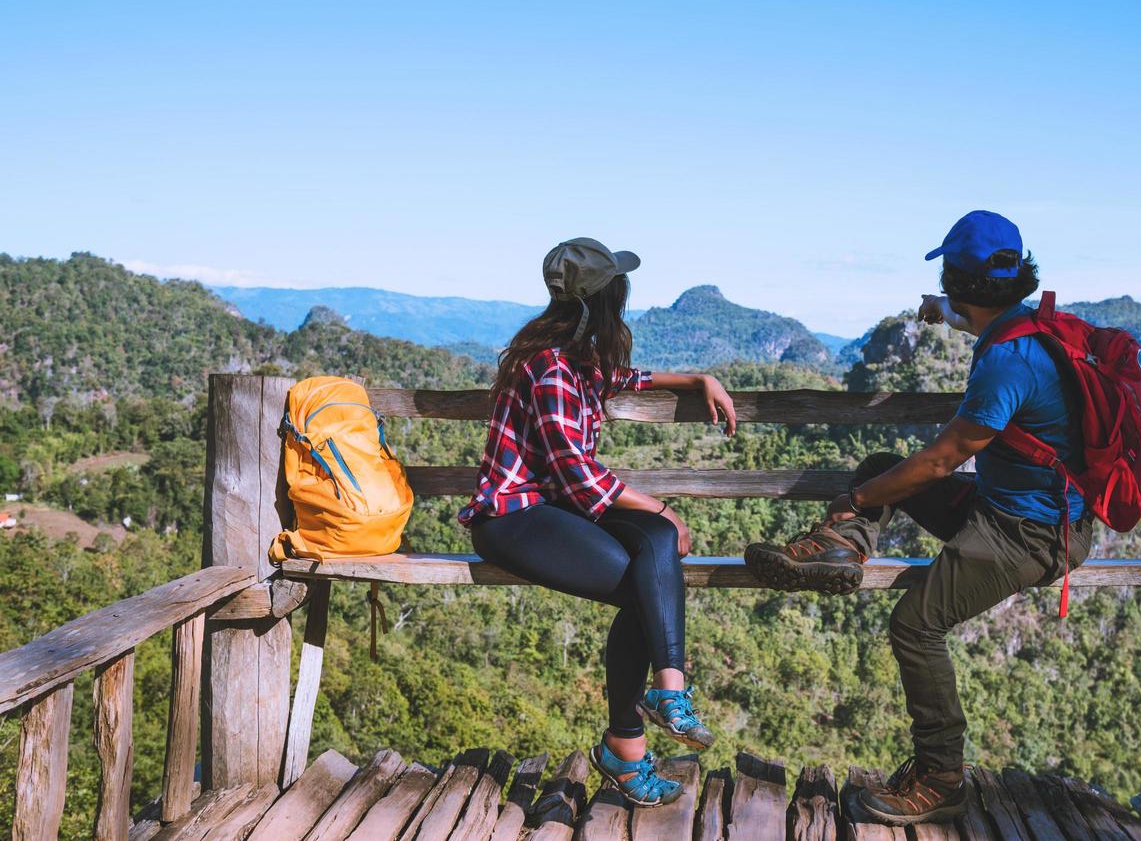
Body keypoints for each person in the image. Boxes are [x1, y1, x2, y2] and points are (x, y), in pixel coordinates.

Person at [744, 211, 1091, 826]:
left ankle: (941, 777)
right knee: (881, 464)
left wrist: (856, 501)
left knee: (915, 626)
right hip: (1014, 510)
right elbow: (967, 317)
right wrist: (940, 308)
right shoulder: (1027, 325)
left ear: (959, 277)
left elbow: (940, 462)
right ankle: (843, 552)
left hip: (1030, 534)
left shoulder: (1008, 362)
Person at [458, 237, 738, 808]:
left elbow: (621, 379)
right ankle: (630, 744)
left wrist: (692, 380)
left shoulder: (578, 357)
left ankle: (665, 696)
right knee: (651, 566)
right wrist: (666, 507)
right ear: (606, 300)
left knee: (655, 546)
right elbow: (580, 477)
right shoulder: (551, 367)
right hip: (515, 516)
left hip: (557, 508)